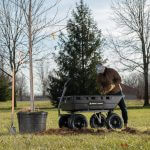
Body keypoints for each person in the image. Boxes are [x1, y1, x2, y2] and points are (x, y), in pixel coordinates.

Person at [96, 64, 128, 128]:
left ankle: (126, 124)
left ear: (103, 68)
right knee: (109, 109)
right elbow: (99, 83)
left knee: (123, 108)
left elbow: (119, 79)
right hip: (108, 93)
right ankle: (109, 124)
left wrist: (113, 85)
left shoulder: (112, 71)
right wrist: (101, 89)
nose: (100, 72)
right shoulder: (99, 75)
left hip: (117, 92)